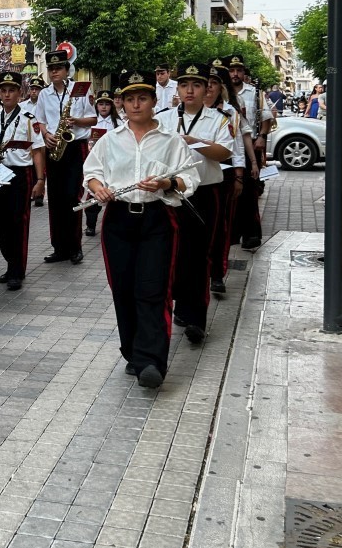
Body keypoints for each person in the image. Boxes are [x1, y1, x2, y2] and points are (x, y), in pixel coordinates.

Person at [83, 70, 199, 389]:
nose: (136, 104)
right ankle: (133, 352)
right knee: (123, 289)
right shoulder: (110, 140)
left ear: (152, 100)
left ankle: (152, 361)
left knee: (152, 288)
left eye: (143, 98)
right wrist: (98, 188)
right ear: (122, 103)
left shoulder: (171, 140)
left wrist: (166, 182)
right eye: (130, 98)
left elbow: (190, 179)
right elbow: (91, 172)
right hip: (118, 220)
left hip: (157, 219)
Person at [156, 63, 234, 344]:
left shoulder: (219, 118)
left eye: (197, 85)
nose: (190, 90)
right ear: (177, 89)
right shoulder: (163, 118)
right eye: (184, 85)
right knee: (172, 254)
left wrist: (192, 141)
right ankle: (178, 307)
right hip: (171, 194)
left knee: (199, 255)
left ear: (207, 89)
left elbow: (224, 153)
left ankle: (196, 317)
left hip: (204, 193)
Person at [0, 71, 46, 289]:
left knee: (17, 222)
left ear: (20, 93)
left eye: (12, 90)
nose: (7, 94)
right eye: (4, 90)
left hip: (20, 175)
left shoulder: (29, 120)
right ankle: (10, 262)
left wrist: (40, 180)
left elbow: (38, 151)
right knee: (1, 222)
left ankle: (16, 270)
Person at [35, 49, 96, 264]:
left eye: (58, 68)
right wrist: (46, 134)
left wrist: (76, 122)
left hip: (74, 146)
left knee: (73, 196)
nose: (54, 72)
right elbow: (40, 120)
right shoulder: (44, 94)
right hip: (54, 147)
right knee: (56, 200)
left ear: (66, 69)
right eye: (51, 69)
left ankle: (75, 247)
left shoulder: (80, 90)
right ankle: (59, 248)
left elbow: (93, 119)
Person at [205, 62, 253, 295]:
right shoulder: (184, 111)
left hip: (222, 175)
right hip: (191, 177)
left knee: (220, 227)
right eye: (207, 83)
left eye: (214, 84)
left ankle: (216, 273)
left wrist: (239, 175)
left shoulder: (229, 113)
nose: (209, 88)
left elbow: (236, 146)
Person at [227, 56, 272, 250]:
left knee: (250, 191)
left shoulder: (255, 93)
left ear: (244, 72)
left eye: (238, 70)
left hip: (249, 144)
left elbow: (267, 116)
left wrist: (262, 136)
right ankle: (233, 232)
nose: (235, 74)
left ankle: (252, 234)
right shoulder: (222, 95)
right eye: (232, 70)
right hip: (227, 146)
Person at [84, 89, 119, 236]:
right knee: (93, 195)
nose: (104, 107)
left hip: (113, 162)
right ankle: (91, 225)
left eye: (107, 104)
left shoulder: (119, 122)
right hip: (96, 161)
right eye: (101, 104)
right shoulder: (91, 121)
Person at [25, 75, 47, 207]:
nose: (34, 91)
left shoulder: (44, 104)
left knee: (40, 168)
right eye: (32, 89)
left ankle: (40, 194)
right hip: (26, 141)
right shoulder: (22, 105)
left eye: (37, 89)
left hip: (41, 140)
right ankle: (30, 192)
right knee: (28, 168)